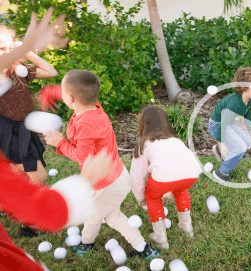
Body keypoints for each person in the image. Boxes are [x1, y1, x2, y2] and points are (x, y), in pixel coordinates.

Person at [39, 69, 159, 259]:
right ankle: (144, 248)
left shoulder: (86, 125)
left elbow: (83, 156)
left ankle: (86, 245)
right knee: (113, 217)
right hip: (117, 175)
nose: (59, 94)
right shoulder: (92, 107)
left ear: (70, 99)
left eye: (61, 92)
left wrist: (60, 143)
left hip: (105, 184)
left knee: (93, 217)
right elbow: (77, 94)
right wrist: (52, 93)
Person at [0, 6, 68, 237]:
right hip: (6, 129)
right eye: (1, 47)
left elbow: (51, 71)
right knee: (36, 175)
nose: (6, 51)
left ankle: (22, 210)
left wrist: (26, 52)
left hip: (23, 128)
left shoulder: (19, 69)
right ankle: (38, 218)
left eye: (8, 46)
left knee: (24, 172)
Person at [130, 106, 199, 249]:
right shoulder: (175, 140)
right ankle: (187, 228)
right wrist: (167, 191)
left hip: (166, 178)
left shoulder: (144, 144)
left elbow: (137, 177)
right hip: (192, 174)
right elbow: (175, 168)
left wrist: (140, 198)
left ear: (143, 125)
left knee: (152, 196)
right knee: (180, 190)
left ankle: (161, 238)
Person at [208, 67, 251, 182]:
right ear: (244, 87)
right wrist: (222, 144)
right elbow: (222, 125)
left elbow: (248, 118)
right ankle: (221, 173)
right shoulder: (235, 103)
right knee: (240, 147)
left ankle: (221, 154)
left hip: (229, 124)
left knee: (248, 141)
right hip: (217, 126)